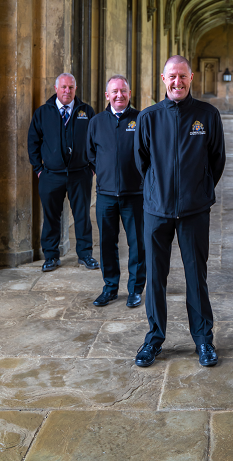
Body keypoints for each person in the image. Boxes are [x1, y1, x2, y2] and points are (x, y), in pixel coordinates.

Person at [134, 56, 225, 368]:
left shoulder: (208, 115)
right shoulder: (148, 118)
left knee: (195, 277)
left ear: (192, 77)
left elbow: (217, 160)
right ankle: (154, 339)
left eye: (183, 77)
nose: (177, 82)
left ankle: (203, 340)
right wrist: (158, 191)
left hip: (194, 210)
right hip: (156, 210)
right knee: (155, 278)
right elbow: (141, 162)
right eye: (172, 77)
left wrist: (198, 189)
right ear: (163, 78)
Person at [27, 73, 99, 272]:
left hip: (80, 174)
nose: (67, 91)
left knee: (82, 215)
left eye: (71, 88)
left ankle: (85, 255)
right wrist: (39, 169)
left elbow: (96, 141)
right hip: (51, 175)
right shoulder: (43, 112)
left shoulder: (86, 111)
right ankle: (51, 256)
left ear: (75, 89)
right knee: (51, 216)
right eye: (64, 87)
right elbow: (33, 142)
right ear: (56, 88)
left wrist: (92, 167)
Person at [87, 75, 146, 308]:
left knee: (138, 245)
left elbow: (148, 153)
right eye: (114, 91)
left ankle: (135, 290)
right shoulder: (96, 122)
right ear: (107, 95)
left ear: (129, 93)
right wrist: (104, 174)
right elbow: (90, 154)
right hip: (105, 196)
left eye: (123, 91)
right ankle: (110, 288)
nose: (119, 95)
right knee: (107, 244)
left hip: (135, 195)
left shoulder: (141, 119)